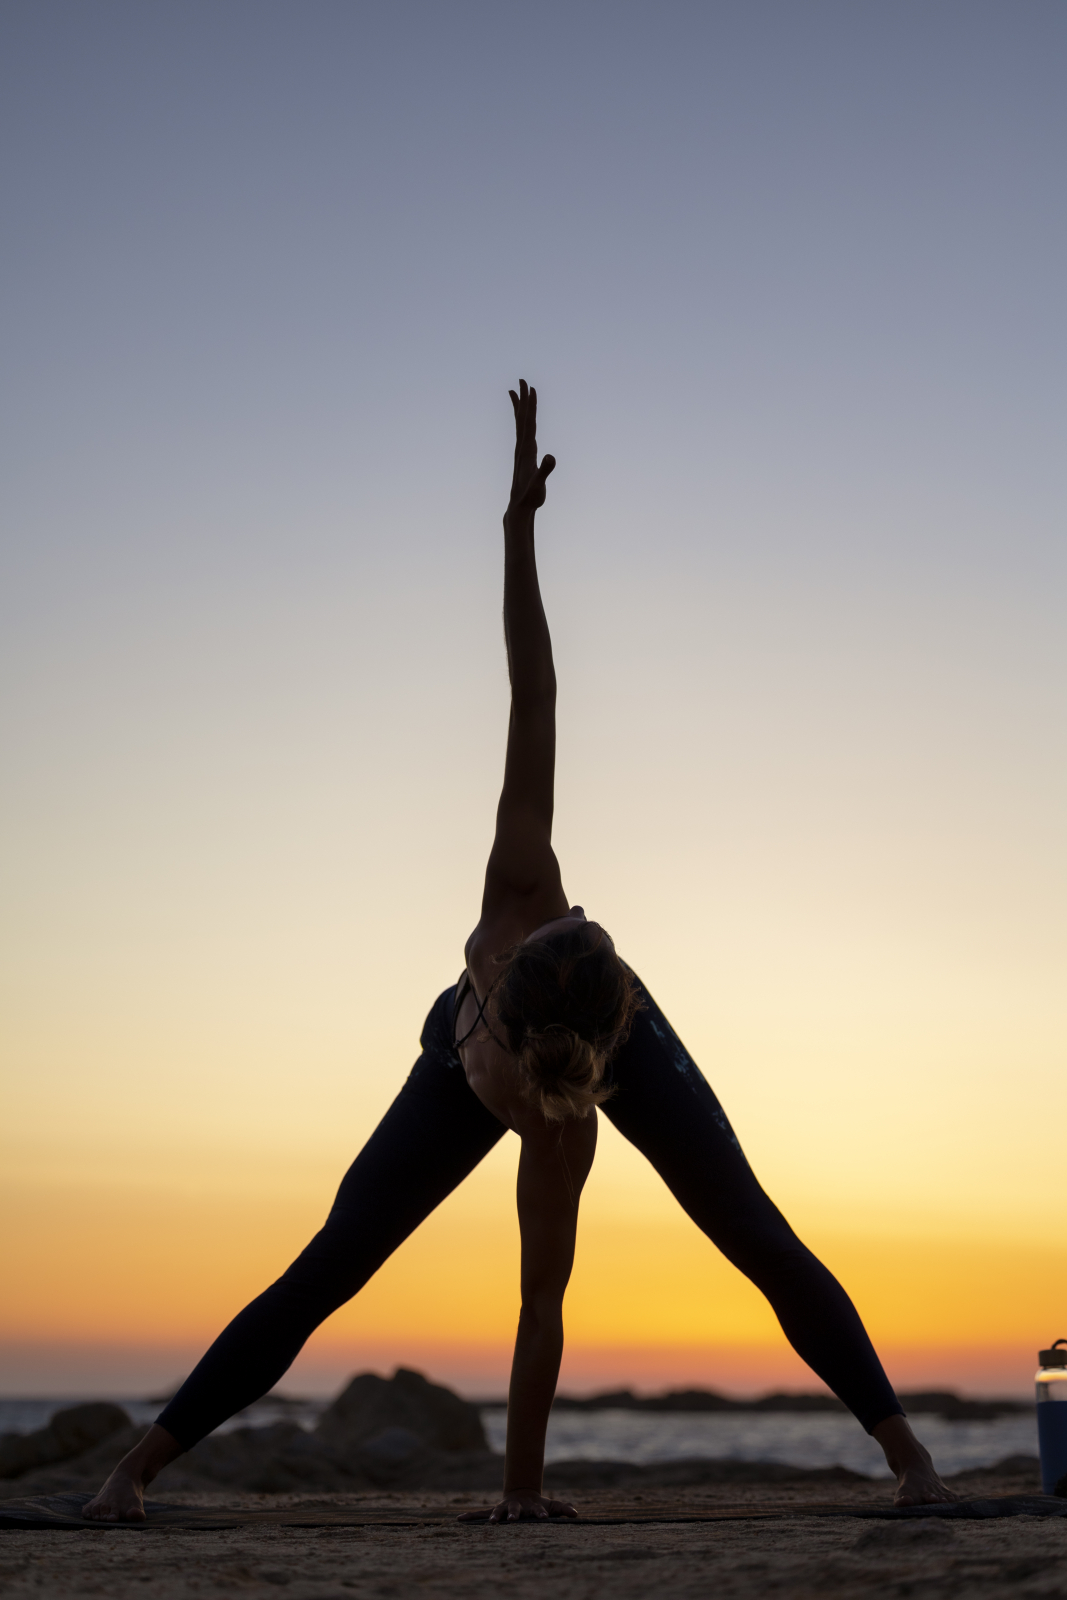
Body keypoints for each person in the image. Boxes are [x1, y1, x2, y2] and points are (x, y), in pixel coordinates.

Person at [84, 380, 955, 1524]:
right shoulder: (517, 884)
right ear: (504, 970)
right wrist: (516, 530)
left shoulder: (565, 1110)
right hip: (470, 1064)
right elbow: (533, 682)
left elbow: (541, 1304)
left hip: (604, 1052)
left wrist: (522, 1492)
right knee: (331, 1264)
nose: (572, 901)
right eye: (574, 918)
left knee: (750, 1229)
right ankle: (127, 1477)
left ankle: (913, 1465)